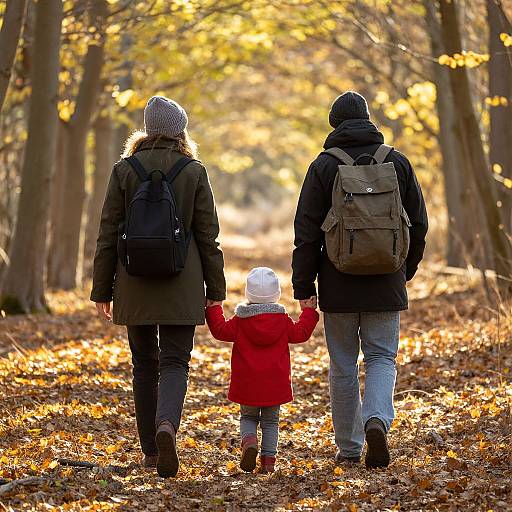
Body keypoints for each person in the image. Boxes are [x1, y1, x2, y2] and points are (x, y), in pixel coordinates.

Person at [90, 95, 226, 478]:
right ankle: (167, 425)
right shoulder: (193, 170)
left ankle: (150, 451)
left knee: (143, 365)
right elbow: (208, 236)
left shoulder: (124, 170)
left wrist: (102, 289)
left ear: (147, 129)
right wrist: (215, 289)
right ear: (180, 129)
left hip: (133, 281)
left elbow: (107, 233)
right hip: (182, 282)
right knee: (175, 362)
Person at [292, 91, 428, 468]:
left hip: (337, 283)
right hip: (387, 279)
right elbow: (419, 223)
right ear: (369, 121)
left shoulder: (323, 166)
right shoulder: (396, 162)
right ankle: (376, 421)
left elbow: (305, 232)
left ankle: (350, 448)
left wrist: (303, 287)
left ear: (334, 124)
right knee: (383, 357)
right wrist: (405, 269)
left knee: (343, 365)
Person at [205, 267, 319, 473]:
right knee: (271, 422)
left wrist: (214, 308)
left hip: (247, 382)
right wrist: (309, 311)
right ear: (276, 294)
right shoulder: (282, 321)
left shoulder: (241, 320)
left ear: (249, 293)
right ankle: (268, 463)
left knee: (248, 417)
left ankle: (249, 441)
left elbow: (220, 330)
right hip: (274, 384)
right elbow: (301, 333)